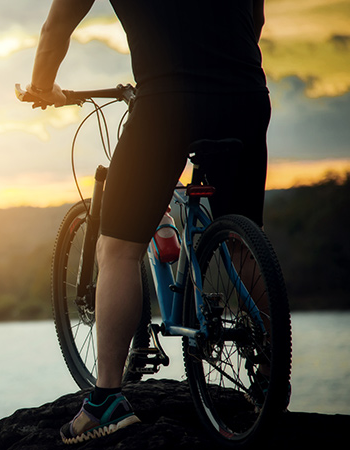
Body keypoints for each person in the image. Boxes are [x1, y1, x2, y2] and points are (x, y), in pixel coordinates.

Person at [26, 0, 270, 444]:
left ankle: (106, 402)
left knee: (117, 247)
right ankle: (272, 372)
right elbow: (255, 18)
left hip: (168, 102)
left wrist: (42, 88)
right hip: (247, 94)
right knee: (243, 242)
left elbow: (56, 25)